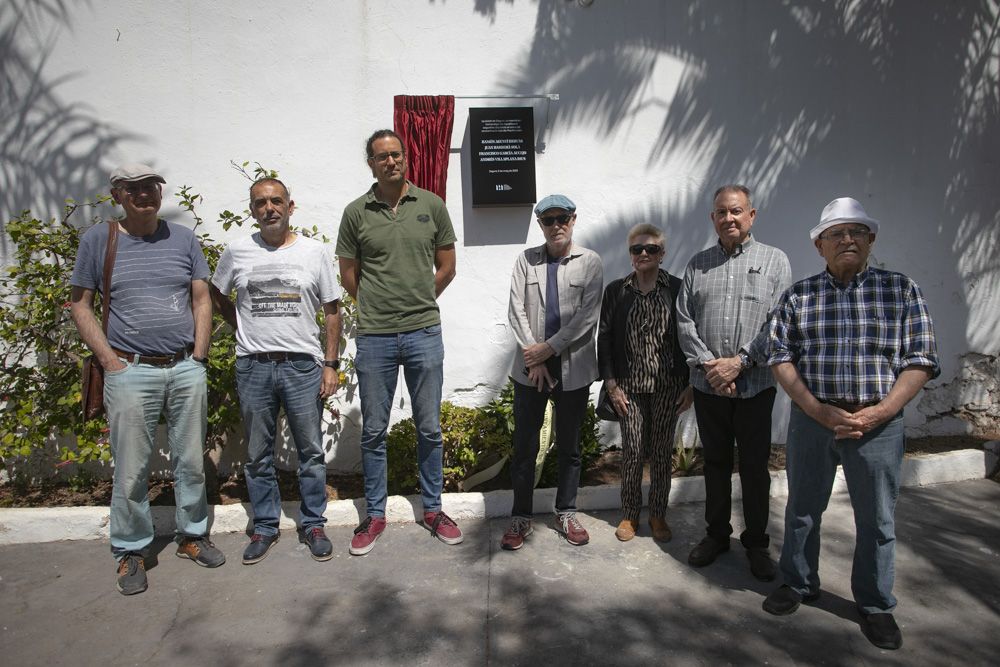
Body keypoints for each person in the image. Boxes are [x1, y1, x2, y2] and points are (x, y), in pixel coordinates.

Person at [762, 197, 939, 650]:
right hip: (813, 420)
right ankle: (797, 582)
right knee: (802, 508)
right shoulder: (800, 295)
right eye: (836, 233)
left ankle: (876, 603)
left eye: (856, 231)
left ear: (871, 241)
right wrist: (817, 409)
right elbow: (780, 357)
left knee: (877, 519)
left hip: (878, 423)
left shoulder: (901, 290)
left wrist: (881, 411)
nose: (847, 239)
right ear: (819, 246)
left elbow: (920, 360)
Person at [69, 163, 224, 596]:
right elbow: (79, 305)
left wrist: (199, 356)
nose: (145, 195)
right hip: (129, 369)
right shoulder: (99, 239)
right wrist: (110, 362)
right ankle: (130, 550)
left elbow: (200, 297)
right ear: (118, 195)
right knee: (133, 469)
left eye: (151, 187)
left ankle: (192, 536)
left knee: (191, 461)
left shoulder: (184, 238)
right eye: (133, 189)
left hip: (184, 367)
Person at [336, 129, 462, 555]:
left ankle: (433, 509)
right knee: (374, 431)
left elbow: (446, 266)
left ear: (405, 158)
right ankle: (374, 515)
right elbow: (348, 273)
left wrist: (419, 300)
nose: (391, 161)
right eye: (381, 156)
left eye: (396, 154)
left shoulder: (431, 205)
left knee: (429, 427)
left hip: (424, 331)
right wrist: (375, 306)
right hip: (375, 337)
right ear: (370, 164)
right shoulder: (356, 212)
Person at [211, 178, 342, 564]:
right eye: (261, 202)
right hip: (254, 366)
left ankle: (313, 523)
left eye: (276, 201)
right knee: (257, 455)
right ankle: (265, 526)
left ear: (290, 206)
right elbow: (217, 296)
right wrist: (242, 329)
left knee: (311, 452)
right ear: (252, 210)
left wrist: (330, 364)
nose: (269, 208)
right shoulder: (236, 252)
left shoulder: (314, 252)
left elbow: (332, 310)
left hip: (303, 366)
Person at [676, 184, 792, 581]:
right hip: (710, 388)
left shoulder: (775, 262)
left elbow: (779, 322)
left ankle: (757, 543)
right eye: (722, 212)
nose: (729, 218)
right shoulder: (697, 264)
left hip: (755, 386)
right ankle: (716, 536)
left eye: (737, 211)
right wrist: (713, 367)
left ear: (752, 215)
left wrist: (739, 363)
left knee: (755, 468)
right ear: (713, 218)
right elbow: (684, 321)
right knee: (715, 464)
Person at [501, 194, 603, 551]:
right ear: (540, 224)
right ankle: (521, 516)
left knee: (570, 447)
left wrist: (548, 350)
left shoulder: (590, 263)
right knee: (525, 447)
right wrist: (536, 358)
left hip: (573, 369)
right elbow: (516, 311)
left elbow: (586, 318)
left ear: (573, 219)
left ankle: (566, 511)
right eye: (548, 220)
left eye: (562, 218)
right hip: (531, 371)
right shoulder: (525, 261)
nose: (556, 225)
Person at [597, 223, 693, 543]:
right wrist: (611, 385)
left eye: (650, 249)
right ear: (630, 254)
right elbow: (605, 339)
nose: (643, 254)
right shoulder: (617, 291)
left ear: (661, 254)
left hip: (669, 387)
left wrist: (691, 384)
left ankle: (657, 515)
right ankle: (629, 514)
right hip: (629, 389)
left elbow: (690, 338)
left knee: (662, 453)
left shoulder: (677, 289)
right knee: (635, 451)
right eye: (637, 249)